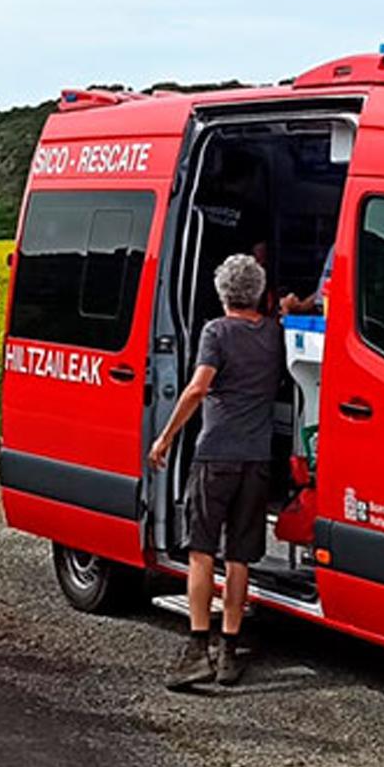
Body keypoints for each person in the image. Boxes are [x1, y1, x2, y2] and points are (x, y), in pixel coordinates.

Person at [149, 254, 283, 689]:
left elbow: (199, 386)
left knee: (202, 550)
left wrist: (165, 437)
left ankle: (196, 648)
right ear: (259, 293)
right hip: (257, 459)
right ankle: (229, 651)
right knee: (240, 556)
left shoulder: (216, 332)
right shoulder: (272, 333)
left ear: (222, 292)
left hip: (216, 455)